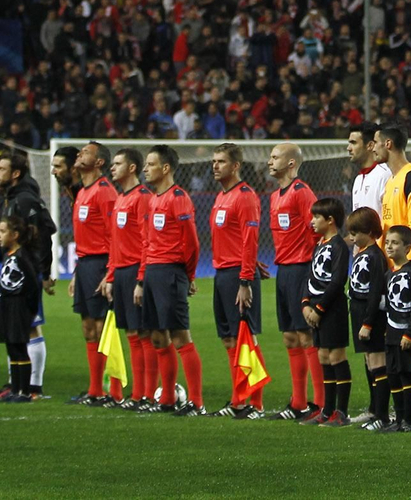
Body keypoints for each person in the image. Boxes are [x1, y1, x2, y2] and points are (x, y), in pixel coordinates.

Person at [135, 144, 205, 415]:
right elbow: (147, 242)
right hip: (153, 272)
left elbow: (192, 243)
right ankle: (166, 398)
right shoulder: (153, 199)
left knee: (179, 335)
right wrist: (142, 279)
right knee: (156, 336)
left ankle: (196, 402)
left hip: (171, 272)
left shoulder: (179, 198)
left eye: (150, 164)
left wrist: (187, 276)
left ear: (165, 168)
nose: (145, 169)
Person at [373, 123, 411, 421]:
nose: (371, 147)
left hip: (410, 274)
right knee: (399, 339)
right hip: (394, 274)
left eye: (374, 142)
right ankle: (407, 410)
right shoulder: (391, 181)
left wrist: (407, 269)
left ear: (388, 144)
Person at [265, 142, 321, 419]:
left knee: (305, 335)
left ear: (290, 163)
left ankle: (319, 404)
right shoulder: (275, 195)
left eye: (275, 157)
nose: (269, 161)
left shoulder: (302, 193)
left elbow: (317, 230)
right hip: (283, 270)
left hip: (301, 267)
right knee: (289, 336)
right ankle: (298, 402)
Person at [0, 151, 55, 398]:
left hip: (25, 273)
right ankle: (15, 383)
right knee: (14, 329)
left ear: (15, 174)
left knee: (30, 327)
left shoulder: (26, 200)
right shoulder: (8, 199)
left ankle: (34, 386)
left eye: (1, 169)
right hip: (9, 270)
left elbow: (45, 235)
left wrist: (44, 271)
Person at [208, 143, 263, 418]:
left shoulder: (244, 197)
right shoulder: (222, 196)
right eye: (214, 161)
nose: (215, 165)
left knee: (246, 337)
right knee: (230, 339)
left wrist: (246, 279)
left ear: (236, 165)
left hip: (237, 277)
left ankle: (254, 403)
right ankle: (238, 400)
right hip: (222, 273)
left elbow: (250, 238)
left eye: (221, 161)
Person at [102, 147, 152, 409]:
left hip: (135, 270)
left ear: (132, 168)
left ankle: (144, 395)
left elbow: (147, 241)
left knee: (143, 332)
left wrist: (141, 279)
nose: (112, 167)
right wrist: (110, 276)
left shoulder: (141, 197)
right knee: (132, 333)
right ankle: (137, 393)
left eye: (118, 163)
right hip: (121, 272)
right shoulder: (121, 198)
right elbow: (114, 242)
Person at [68, 143, 118, 405]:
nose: (79, 155)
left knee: (102, 327)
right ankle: (95, 390)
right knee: (88, 328)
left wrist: (110, 272)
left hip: (101, 263)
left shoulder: (105, 193)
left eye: (85, 152)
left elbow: (115, 235)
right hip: (86, 264)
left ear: (99, 163)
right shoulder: (83, 192)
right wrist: (78, 271)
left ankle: (113, 389)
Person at [300, 197, 351, 426]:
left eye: (316, 217)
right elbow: (311, 276)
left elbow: (338, 280)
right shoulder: (320, 244)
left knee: (336, 356)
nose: (312, 222)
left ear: (330, 220)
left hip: (332, 309)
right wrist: (305, 304)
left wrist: (319, 309)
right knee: (322, 356)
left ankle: (341, 412)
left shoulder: (338, 246)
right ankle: (327, 409)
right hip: (316, 308)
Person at [346, 207, 389, 429]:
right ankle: (374, 409)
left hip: (370, 316)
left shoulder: (375, 256)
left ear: (370, 231)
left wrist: (368, 322)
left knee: (377, 362)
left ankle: (382, 415)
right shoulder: (362, 253)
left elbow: (375, 292)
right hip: (358, 311)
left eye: (355, 233)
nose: (352, 238)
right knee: (368, 361)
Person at [380, 224, 411, 432]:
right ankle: (397, 420)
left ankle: (408, 420)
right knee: (393, 374)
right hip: (391, 333)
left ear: (407, 247)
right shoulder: (389, 275)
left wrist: (409, 332)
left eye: (395, 243)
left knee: (407, 374)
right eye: (387, 242)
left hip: (406, 333)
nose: (389, 246)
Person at [0, 215, 42, 403]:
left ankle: (24, 391)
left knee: (20, 348)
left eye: (2, 231)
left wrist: (29, 310)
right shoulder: (8, 255)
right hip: (6, 306)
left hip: (19, 306)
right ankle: (14, 389)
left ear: (14, 235)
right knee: (12, 348)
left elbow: (32, 284)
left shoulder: (23, 256)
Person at [348, 127, 391, 217]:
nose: (349, 148)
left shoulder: (385, 174)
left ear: (370, 146)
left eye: (353, 143)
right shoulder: (358, 179)